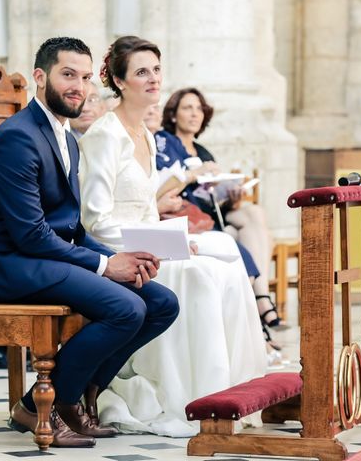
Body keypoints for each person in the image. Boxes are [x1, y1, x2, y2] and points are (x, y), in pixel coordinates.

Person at [0, 37, 179, 448]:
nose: (79, 87)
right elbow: (30, 234)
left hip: (47, 257)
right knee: (125, 307)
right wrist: (104, 266)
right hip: (9, 265)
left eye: (85, 77)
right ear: (40, 77)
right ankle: (37, 405)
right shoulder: (19, 137)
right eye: (68, 75)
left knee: (161, 303)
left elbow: (72, 228)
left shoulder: (65, 136)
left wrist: (121, 257)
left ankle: (77, 397)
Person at [79, 36, 266, 437]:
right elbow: (94, 220)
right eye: (141, 72)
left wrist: (173, 237)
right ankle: (194, 397)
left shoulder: (145, 135)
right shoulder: (104, 135)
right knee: (200, 277)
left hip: (148, 240)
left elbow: (146, 207)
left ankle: (235, 393)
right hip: (117, 253)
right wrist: (155, 244)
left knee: (227, 255)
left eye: (157, 70)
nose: (153, 79)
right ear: (118, 80)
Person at [156, 87, 284, 333]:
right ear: (173, 114)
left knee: (255, 213)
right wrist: (195, 175)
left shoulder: (203, 151)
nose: (195, 114)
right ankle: (262, 304)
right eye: (187, 108)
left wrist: (231, 196)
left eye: (199, 109)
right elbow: (166, 184)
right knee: (253, 236)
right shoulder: (164, 143)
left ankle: (261, 296)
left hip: (212, 212)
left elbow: (214, 200)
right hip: (188, 214)